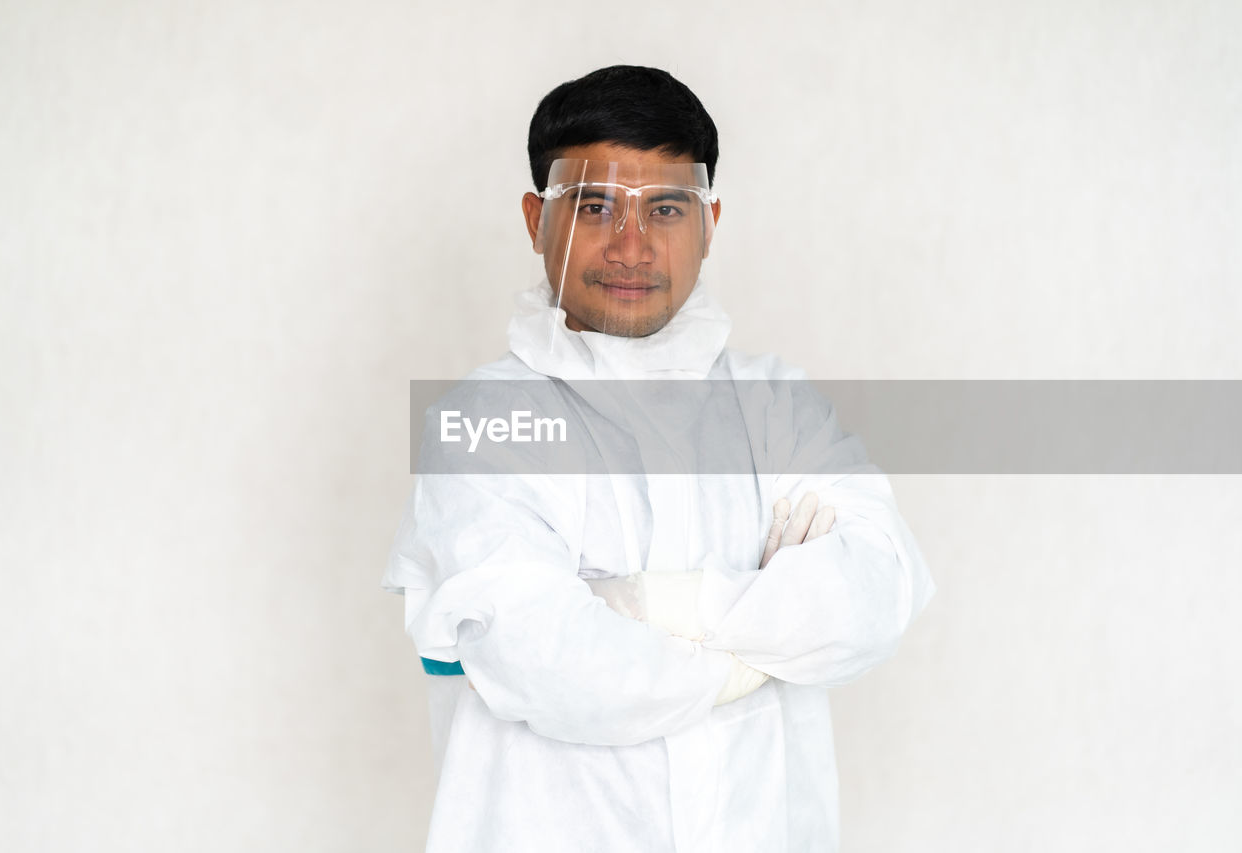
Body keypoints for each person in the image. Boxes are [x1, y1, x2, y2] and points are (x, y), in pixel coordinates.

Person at [385, 65, 935, 853]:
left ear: (710, 222)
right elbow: (554, 662)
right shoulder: (483, 422)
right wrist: (768, 633)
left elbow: (878, 590)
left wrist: (649, 604)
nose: (630, 245)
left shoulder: (777, 404)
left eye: (666, 209)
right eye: (595, 205)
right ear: (537, 217)